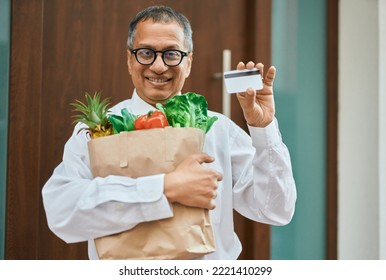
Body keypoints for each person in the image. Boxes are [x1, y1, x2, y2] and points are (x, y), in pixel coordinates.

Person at [42, 5, 297, 260]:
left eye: (172, 54)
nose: (159, 66)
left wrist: (263, 128)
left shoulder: (218, 129)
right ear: (130, 60)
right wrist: (165, 189)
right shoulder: (97, 131)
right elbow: (62, 213)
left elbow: (275, 210)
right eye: (146, 53)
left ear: (189, 62)